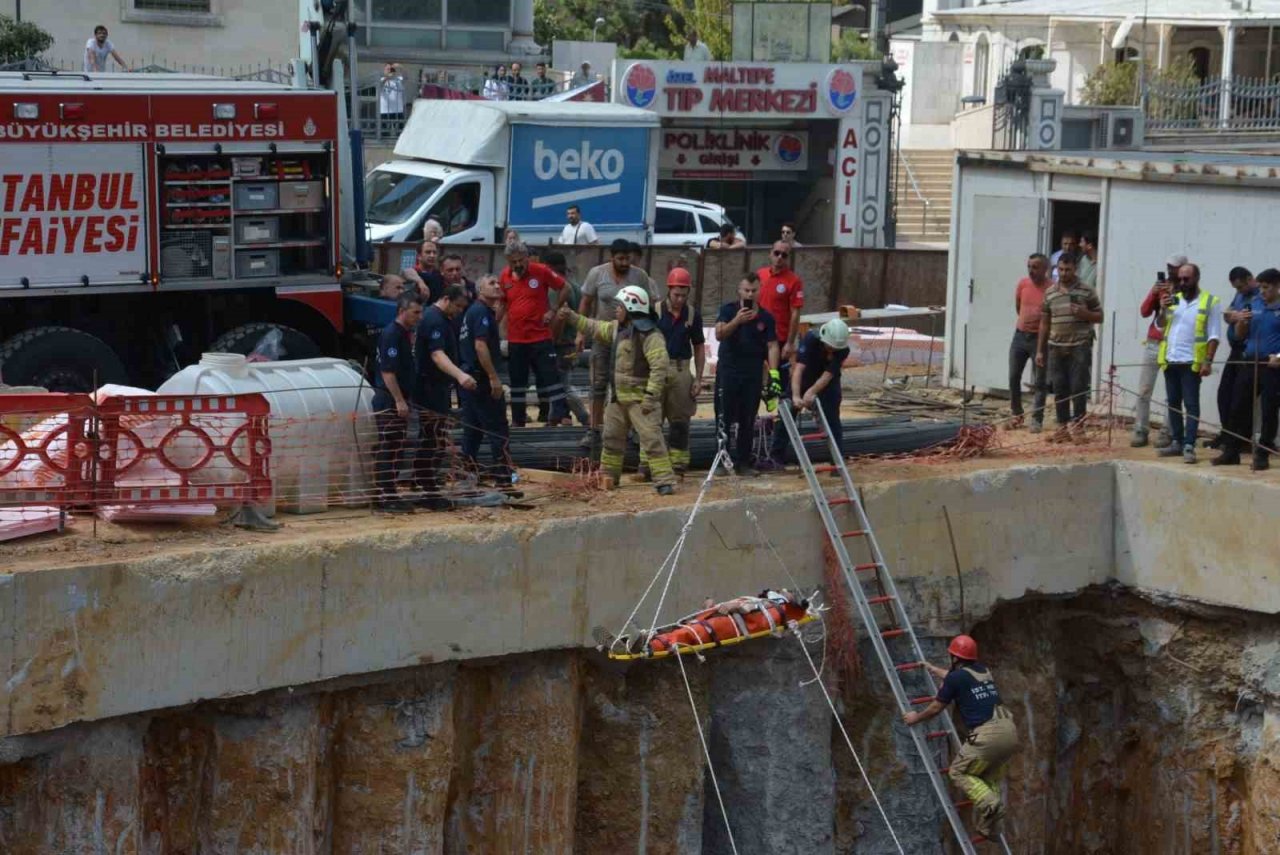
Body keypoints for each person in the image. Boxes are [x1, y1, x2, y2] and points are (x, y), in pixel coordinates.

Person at [560, 286, 676, 495]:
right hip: (618, 399)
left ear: (631, 307)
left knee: (652, 440)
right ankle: (609, 475)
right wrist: (572, 317)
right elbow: (594, 327)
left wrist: (651, 398)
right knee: (611, 438)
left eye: (620, 306)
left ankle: (664, 481)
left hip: (642, 401)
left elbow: (660, 368)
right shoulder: (617, 329)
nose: (616, 310)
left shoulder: (651, 335)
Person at [902, 635, 1018, 841]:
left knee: (958, 773)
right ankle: (989, 827)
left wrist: (915, 717)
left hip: (988, 734)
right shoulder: (983, 671)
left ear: (954, 657)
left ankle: (991, 805)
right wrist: (933, 669)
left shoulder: (957, 678)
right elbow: (956, 680)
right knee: (985, 778)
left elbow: (937, 707)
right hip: (1009, 731)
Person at [580, 239, 658, 451]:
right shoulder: (597, 274)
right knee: (597, 383)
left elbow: (649, 305)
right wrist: (581, 333)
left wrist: (646, 333)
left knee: (628, 384)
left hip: (630, 338)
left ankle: (630, 429)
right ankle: (594, 430)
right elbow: (586, 302)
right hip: (602, 336)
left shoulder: (639, 276)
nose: (625, 263)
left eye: (628, 259)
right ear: (611, 257)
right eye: (620, 259)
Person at [413, 285, 477, 510]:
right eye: (458, 306)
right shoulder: (435, 320)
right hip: (430, 388)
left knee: (436, 437)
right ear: (447, 299)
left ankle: (425, 482)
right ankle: (427, 487)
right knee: (433, 438)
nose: (460, 311)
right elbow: (437, 355)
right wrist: (460, 376)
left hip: (439, 387)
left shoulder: (443, 318)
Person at [1155, 262, 1221, 464]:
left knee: (1191, 405)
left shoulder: (1209, 301)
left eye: (1186, 279)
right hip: (1170, 360)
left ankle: (1189, 445)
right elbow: (1160, 325)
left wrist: (1207, 361)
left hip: (1191, 362)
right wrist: (1162, 309)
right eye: (1180, 279)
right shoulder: (1174, 299)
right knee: (1173, 404)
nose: (1182, 283)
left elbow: (1214, 335)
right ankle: (1176, 441)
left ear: (1196, 278)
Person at [715, 272, 780, 476]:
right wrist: (737, 320)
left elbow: (772, 346)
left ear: (759, 291)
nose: (750, 294)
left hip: (752, 373)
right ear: (739, 290)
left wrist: (774, 374)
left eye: (753, 291)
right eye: (746, 290)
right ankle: (721, 461)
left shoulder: (766, 317)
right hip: (729, 371)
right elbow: (719, 334)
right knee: (723, 416)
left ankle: (744, 462)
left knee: (748, 418)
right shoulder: (728, 310)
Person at [499, 241, 570, 427]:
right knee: (517, 382)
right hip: (516, 339)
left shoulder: (541, 271)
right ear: (508, 261)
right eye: (513, 261)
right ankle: (518, 420)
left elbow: (565, 287)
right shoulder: (504, 277)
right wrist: (494, 325)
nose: (518, 265)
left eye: (521, 260)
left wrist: (553, 310)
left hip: (540, 337)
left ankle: (559, 415)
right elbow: (502, 304)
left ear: (527, 258)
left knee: (550, 378)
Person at [1035, 254, 1103, 443]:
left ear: (1075, 270)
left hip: (1079, 347)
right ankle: (1062, 428)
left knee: (1078, 388)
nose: (1064, 273)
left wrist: (1085, 313)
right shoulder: (1050, 293)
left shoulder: (1087, 291)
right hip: (1056, 347)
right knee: (1059, 389)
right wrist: (1040, 350)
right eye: (1061, 269)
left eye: (1068, 270)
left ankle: (1079, 429)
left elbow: (1100, 316)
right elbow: (1044, 323)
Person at [458, 275, 517, 488]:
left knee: (472, 430)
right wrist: (493, 377)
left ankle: (468, 476)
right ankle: (505, 479)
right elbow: (480, 346)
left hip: (470, 380)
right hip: (481, 380)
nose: (497, 286)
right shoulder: (481, 312)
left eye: (498, 283)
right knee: (498, 430)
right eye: (491, 283)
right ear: (480, 290)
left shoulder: (476, 312)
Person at [370, 293, 422, 514]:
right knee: (389, 447)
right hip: (389, 399)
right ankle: (385, 495)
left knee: (397, 447)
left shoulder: (404, 334)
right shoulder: (392, 334)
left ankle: (390, 491)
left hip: (399, 398)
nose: (419, 317)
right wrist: (399, 400)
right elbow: (388, 372)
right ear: (402, 311)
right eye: (415, 313)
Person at [651, 268, 706, 475]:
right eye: (676, 294)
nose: (680, 299)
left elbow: (699, 346)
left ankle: (679, 464)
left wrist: (698, 378)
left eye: (684, 295)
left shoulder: (692, 315)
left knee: (680, 420)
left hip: (681, 369)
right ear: (669, 290)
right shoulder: (654, 312)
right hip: (657, 369)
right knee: (652, 420)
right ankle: (649, 465)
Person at [1225, 268, 1280, 471]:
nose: (1262, 292)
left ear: (1277, 286)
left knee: (1269, 410)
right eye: (1261, 287)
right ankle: (1231, 451)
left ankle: (1263, 454)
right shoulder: (1254, 304)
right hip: (1250, 361)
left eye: (1266, 288)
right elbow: (1240, 335)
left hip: (1272, 365)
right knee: (1237, 405)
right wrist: (1242, 322)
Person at [1132, 254, 1187, 447]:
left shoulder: (1188, 291)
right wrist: (1154, 293)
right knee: (1144, 389)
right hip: (1154, 341)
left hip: (1174, 343)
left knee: (1171, 392)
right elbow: (1144, 311)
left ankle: (1167, 431)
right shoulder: (1161, 286)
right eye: (1169, 267)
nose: (1171, 271)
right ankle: (1140, 429)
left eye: (1175, 267)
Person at [759, 241, 805, 467]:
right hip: (759, 342)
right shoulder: (760, 277)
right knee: (762, 389)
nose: (779, 257)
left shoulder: (793, 281)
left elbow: (795, 314)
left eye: (784, 255)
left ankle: (778, 449)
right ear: (770, 254)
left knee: (783, 392)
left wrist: (790, 342)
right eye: (776, 253)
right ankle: (762, 431)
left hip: (780, 342)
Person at [1210, 266, 1257, 452]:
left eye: (1240, 287)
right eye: (1235, 288)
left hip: (1248, 353)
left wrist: (1237, 318)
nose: (1238, 291)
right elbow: (1228, 314)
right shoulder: (1239, 296)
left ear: (1249, 279)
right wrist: (1234, 316)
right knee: (1224, 394)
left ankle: (1240, 439)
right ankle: (1226, 433)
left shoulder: (1258, 298)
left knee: (1240, 399)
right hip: (1235, 351)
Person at [789, 319, 852, 456]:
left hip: (828, 382)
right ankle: (777, 456)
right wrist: (796, 395)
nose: (832, 351)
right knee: (788, 411)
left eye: (834, 349)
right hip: (806, 375)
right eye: (829, 347)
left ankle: (836, 457)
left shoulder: (843, 349)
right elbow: (798, 369)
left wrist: (811, 392)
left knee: (832, 418)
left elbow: (828, 375)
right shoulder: (811, 339)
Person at [543, 251, 591, 427]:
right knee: (557, 383)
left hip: (562, 343)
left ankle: (585, 418)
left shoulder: (558, 289)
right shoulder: (576, 287)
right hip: (571, 341)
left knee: (563, 386)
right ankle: (553, 418)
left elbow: (561, 317)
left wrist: (553, 340)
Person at [1008, 253, 1050, 432]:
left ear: (1045, 269)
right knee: (1013, 376)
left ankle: (1037, 420)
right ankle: (1017, 414)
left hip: (1039, 340)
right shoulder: (1023, 284)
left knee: (1040, 381)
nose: (1032, 271)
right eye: (1029, 267)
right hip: (1020, 336)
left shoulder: (1051, 289)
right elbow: (1019, 307)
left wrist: (1041, 345)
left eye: (1036, 267)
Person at [379, 63, 406, 132]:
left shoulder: (398, 79)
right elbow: (379, 86)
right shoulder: (382, 79)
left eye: (391, 69)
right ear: (384, 70)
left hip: (398, 110)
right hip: (385, 111)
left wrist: (400, 67)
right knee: (384, 133)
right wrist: (387, 77)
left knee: (400, 133)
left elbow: (406, 77)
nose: (389, 71)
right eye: (387, 69)